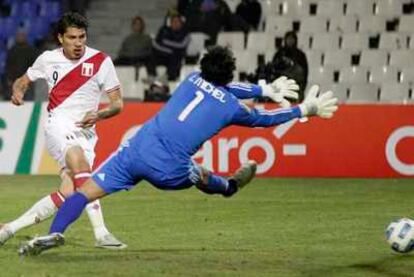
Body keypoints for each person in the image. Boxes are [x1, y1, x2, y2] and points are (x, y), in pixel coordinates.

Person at [17, 46, 338, 256]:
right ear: (228, 74)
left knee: (83, 192)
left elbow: (223, 86)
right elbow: (264, 120)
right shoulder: (231, 107)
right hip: (169, 168)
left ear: (204, 67)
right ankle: (229, 187)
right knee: (198, 174)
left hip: (136, 151)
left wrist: (262, 88)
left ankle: (55, 232)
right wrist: (302, 110)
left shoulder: (190, 79)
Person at [0, 12, 126, 249]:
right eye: (72, 38)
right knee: (81, 166)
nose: (78, 43)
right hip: (58, 124)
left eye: (82, 37)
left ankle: (9, 229)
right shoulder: (48, 59)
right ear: (60, 38)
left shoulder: (101, 61)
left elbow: (117, 103)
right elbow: (23, 80)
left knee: (70, 191)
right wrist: (18, 91)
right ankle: (101, 234)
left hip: (87, 132)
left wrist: (101, 114)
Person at [149, 14, 189, 81]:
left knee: (176, 56)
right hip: (164, 54)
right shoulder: (164, 30)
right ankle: (152, 76)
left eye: (177, 21)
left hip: (177, 56)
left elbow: (182, 45)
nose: (175, 23)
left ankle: (170, 77)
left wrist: (166, 43)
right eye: (173, 21)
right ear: (170, 23)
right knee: (151, 55)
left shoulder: (185, 33)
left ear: (181, 23)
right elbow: (156, 43)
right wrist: (169, 50)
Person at [271, 31, 308, 102]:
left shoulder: (300, 55)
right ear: (285, 40)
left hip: (296, 86)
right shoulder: (279, 54)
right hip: (281, 87)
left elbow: (305, 73)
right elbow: (274, 69)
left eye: (292, 39)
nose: (290, 41)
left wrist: (302, 88)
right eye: (288, 39)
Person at [4, 29, 39, 100]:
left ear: (25, 37)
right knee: (14, 99)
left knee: (28, 100)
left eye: (22, 36)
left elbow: (35, 65)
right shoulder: (12, 50)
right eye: (19, 36)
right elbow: (8, 66)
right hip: (14, 80)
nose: (20, 37)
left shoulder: (31, 50)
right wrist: (9, 79)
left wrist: (30, 77)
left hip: (27, 79)